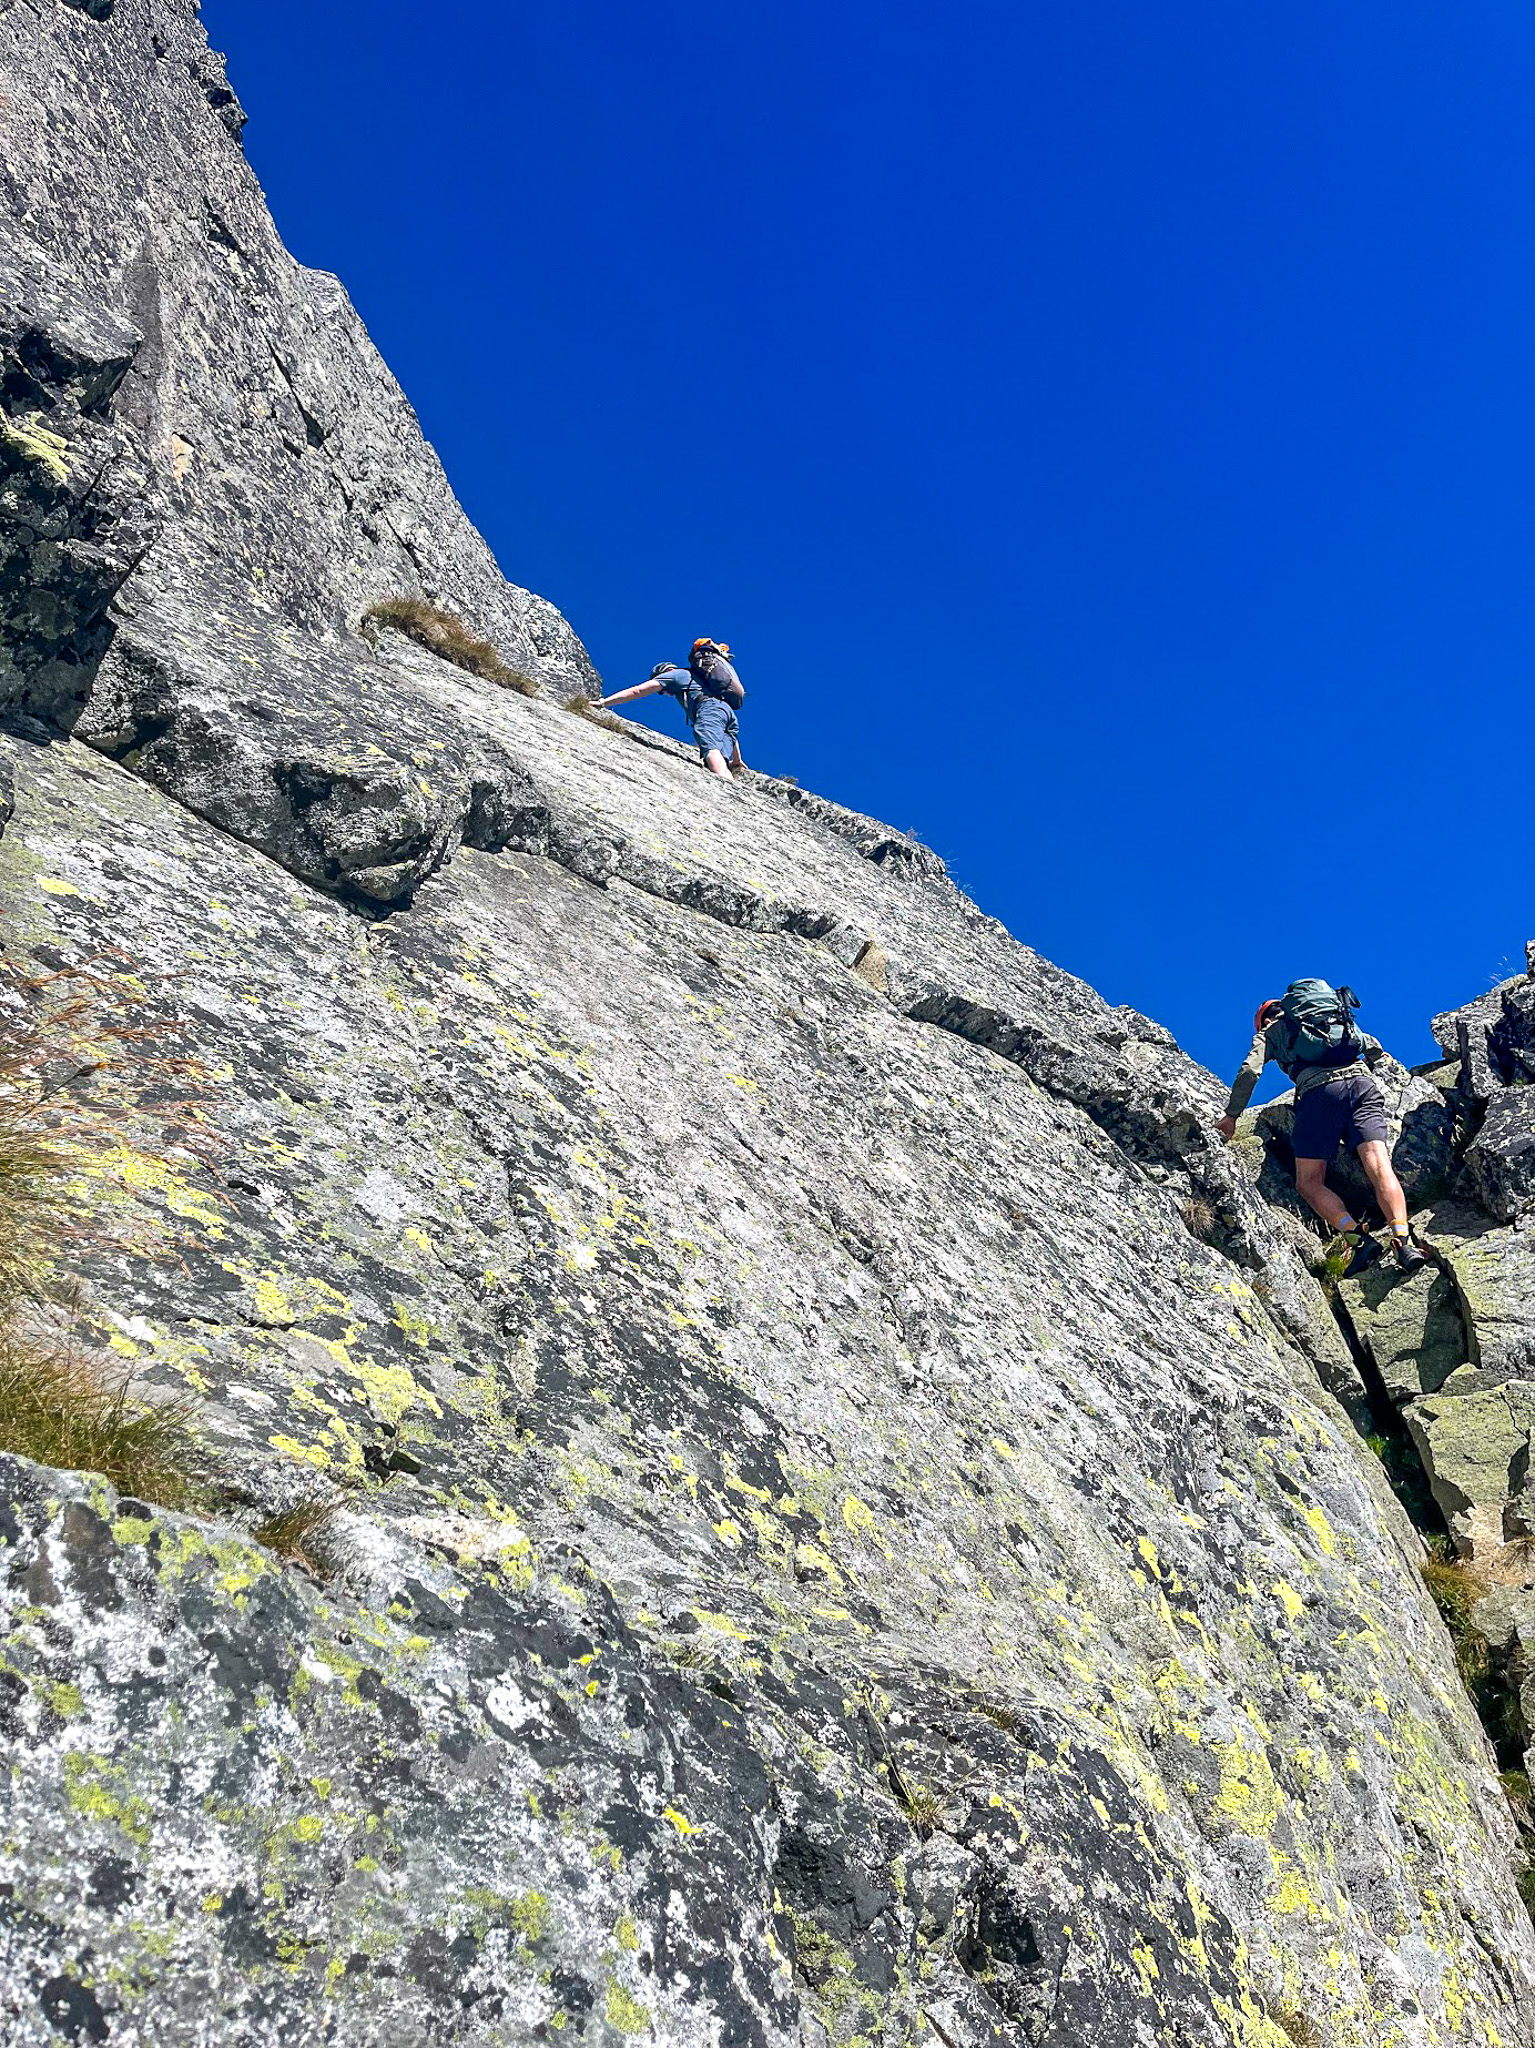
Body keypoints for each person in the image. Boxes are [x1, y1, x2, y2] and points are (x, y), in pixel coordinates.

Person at [1216, 981, 1427, 1275]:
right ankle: (1403, 1242)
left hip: (1320, 1095)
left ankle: (1359, 1240)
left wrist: (1231, 1116)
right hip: (1363, 1087)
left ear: (1263, 1020)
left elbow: (1250, 1070)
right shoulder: (1330, 1018)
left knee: (1309, 1183)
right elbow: (1370, 1044)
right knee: (1379, 1166)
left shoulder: (1271, 1032)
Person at [595, 639, 746, 782]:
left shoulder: (675, 676)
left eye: (662, 690)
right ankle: (729, 784)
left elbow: (637, 691)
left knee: (711, 750)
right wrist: (737, 760)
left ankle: (723, 788)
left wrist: (603, 702)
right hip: (728, 712)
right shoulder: (698, 680)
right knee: (720, 759)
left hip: (709, 709)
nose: (665, 693)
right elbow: (728, 732)